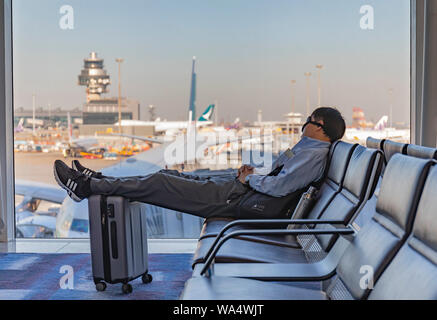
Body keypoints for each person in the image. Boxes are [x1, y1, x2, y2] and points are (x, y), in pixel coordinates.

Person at [53, 107, 345, 220]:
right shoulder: (308, 148)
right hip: (245, 191)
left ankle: (87, 186)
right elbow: (280, 176)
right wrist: (250, 174)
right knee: (170, 173)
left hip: (242, 200)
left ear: (321, 129)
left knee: (160, 182)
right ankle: (99, 178)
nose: (306, 122)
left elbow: (281, 187)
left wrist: (249, 180)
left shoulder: (314, 155)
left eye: (312, 120)